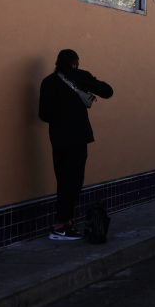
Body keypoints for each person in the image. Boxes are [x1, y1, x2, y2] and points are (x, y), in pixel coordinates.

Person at [38, 49, 113, 241]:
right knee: (74, 180)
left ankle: (66, 221)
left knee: (63, 178)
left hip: (58, 138)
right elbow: (107, 91)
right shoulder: (80, 76)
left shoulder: (47, 82)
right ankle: (61, 225)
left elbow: (43, 115)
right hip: (77, 137)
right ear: (75, 62)